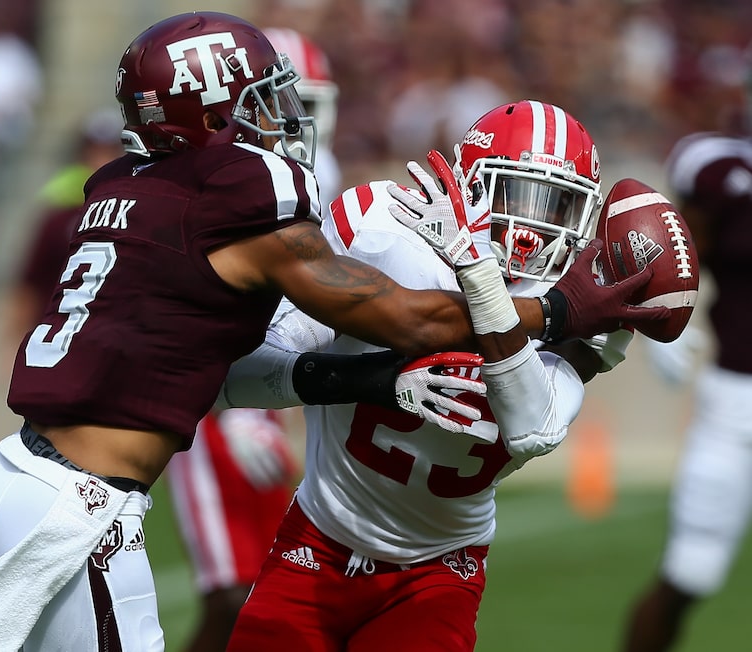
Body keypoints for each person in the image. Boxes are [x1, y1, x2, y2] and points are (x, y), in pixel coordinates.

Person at [0, 13, 663, 651]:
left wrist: (359, 378)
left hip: (13, 473)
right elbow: (405, 318)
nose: (288, 120)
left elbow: (532, 422)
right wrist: (556, 311)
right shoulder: (265, 194)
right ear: (212, 120)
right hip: (84, 502)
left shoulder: (121, 182)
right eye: (266, 102)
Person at [222, 99, 644, 652]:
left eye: (559, 206)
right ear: (470, 186)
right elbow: (242, 374)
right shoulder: (383, 228)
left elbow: (533, 428)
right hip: (318, 540)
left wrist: (477, 272)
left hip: (440, 569)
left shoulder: (587, 299)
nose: (535, 228)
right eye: (518, 194)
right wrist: (372, 380)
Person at [164, 27, 341, 652]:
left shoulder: (316, 178)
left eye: (304, 106)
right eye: (277, 105)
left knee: (274, 596)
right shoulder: (213, 185)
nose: (292, 123)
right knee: (233, 596)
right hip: (212, 402)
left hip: (272, 395)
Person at [621, 127, 752, 650]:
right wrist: (654, 314)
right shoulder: (717, 167)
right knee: (691, 571)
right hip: (736, 402)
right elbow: (666, 242)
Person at [1, 108, 125, 372]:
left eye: (110, 150)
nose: (100, 159)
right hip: (58, 344)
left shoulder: (143, 208)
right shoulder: (60, 213)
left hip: (114, 346)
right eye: (94, 150)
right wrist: (11, 341)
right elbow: (31, 281)